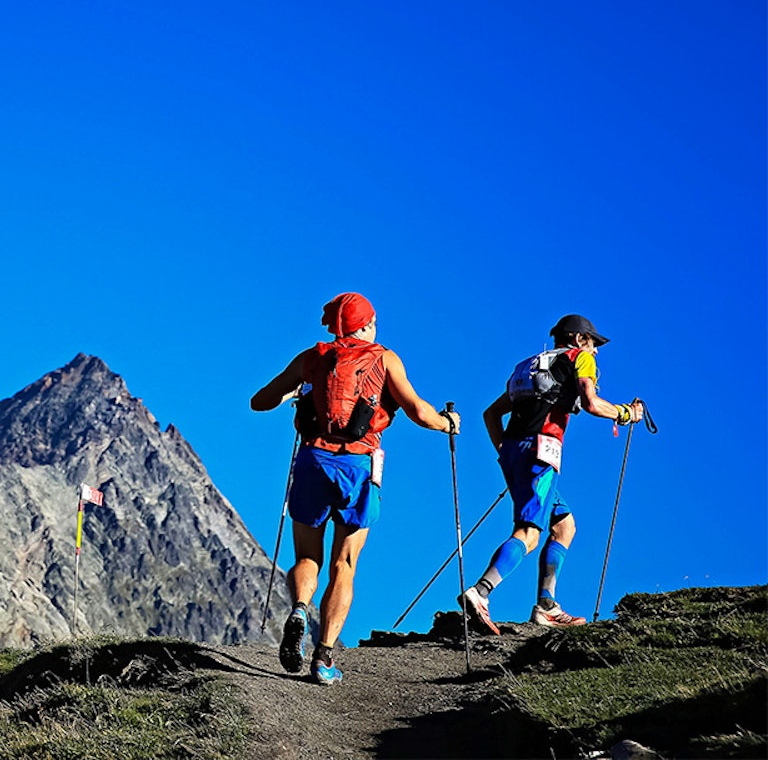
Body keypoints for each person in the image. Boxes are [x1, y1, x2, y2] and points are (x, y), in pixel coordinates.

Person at [252, 292, 459, 685]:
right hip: (357, 466)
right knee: (343, 565)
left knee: (307, 557)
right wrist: (448, 423)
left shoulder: (311, 358)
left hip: (313, 461)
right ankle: (323, 658)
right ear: (365, 326)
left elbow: (258, 401)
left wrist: (294, 393)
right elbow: (417, 411)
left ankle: (299, 609)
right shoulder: (384, 358)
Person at [459, 314, 644, 633]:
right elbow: (591, 403)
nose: (596, 351)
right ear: (577, 339)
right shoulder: (579, 358)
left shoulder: (532, 364)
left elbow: (491, 413)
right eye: (593, 343)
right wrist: (627, 413)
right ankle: (482, 591)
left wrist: (506, 450)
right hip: (543, 452)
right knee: (529, 533)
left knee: (564, 525)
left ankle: (547, 605)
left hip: (514, 451)